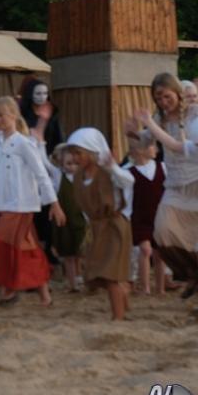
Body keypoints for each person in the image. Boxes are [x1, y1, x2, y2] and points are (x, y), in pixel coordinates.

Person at [0, 96, 65, 307]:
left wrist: (54, 203)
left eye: (1, 115)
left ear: (13, 116)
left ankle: (1, 289)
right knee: (26, 251)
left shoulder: (24, 144)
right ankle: (43, 295)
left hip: (19, 206)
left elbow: (41, 174)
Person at [130, 72, 198, 298]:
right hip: (175, 185)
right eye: (158, 98)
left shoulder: (194, 116)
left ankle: (194, 275)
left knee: (193, 237)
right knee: (162, 232)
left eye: (167, 96)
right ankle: (190, 273)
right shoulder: (160, 118)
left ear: (178, 94)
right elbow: (146, 140)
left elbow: (177, 145)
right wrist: (132, 132)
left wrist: (149, 123)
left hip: (195, 184)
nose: (163, 102)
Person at [67, 127, 134, 320]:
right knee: (100, 275)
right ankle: (124, 293)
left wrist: (113, 167)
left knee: (111, 274)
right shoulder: (78, 176)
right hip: (96, 228)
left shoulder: (108, 172)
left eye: (78, 153)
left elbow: (128, 181)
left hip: (114, 227)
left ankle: (118, 317)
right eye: (73, 153)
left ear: (91, 152)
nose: (75, 157)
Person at [20, 78, 64, 266]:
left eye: (45, 93)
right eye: (38, 93)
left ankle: (49, 248)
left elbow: (59, 140)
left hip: (49, 164)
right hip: (29, 165)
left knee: (49, 205)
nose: (42, 97)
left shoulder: (53, 115)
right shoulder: (23, 116)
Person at [39, 143, 86, 292]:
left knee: (83, 252)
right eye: (69, 163)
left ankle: (86, 280)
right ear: (61, 163)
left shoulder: (84, 177)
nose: (73, 167)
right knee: (68, 255)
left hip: (82, 221)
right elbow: (45, 163)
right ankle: (72, 284)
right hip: (65, 222)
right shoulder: (59, 177)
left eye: (76, 163)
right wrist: (40, 144)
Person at [124, 136, 166, 295]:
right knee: (145, 250)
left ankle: (160, 288)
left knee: (160, 253)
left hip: (159, 216)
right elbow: (127, 197)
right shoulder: (129, 172)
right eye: (152, 146)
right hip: (140, 218)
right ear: (140, 150)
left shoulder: (162, 167)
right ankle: (146, 287)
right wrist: (126, 216)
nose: (156, 149)